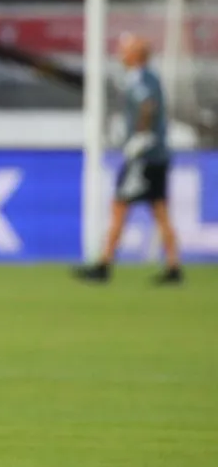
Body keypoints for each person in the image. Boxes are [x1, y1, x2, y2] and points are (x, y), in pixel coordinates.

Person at [74, 33, 182, 285]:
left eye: (126, 50)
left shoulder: (142, 79)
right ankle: (173, 267)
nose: (121, 54)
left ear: (136, 55)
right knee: (160, 211)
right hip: (154, 156)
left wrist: (140, 136)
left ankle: (104, 264)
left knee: (120, 206)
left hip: (143, 157)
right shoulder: (145, 78)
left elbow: (147, 106)